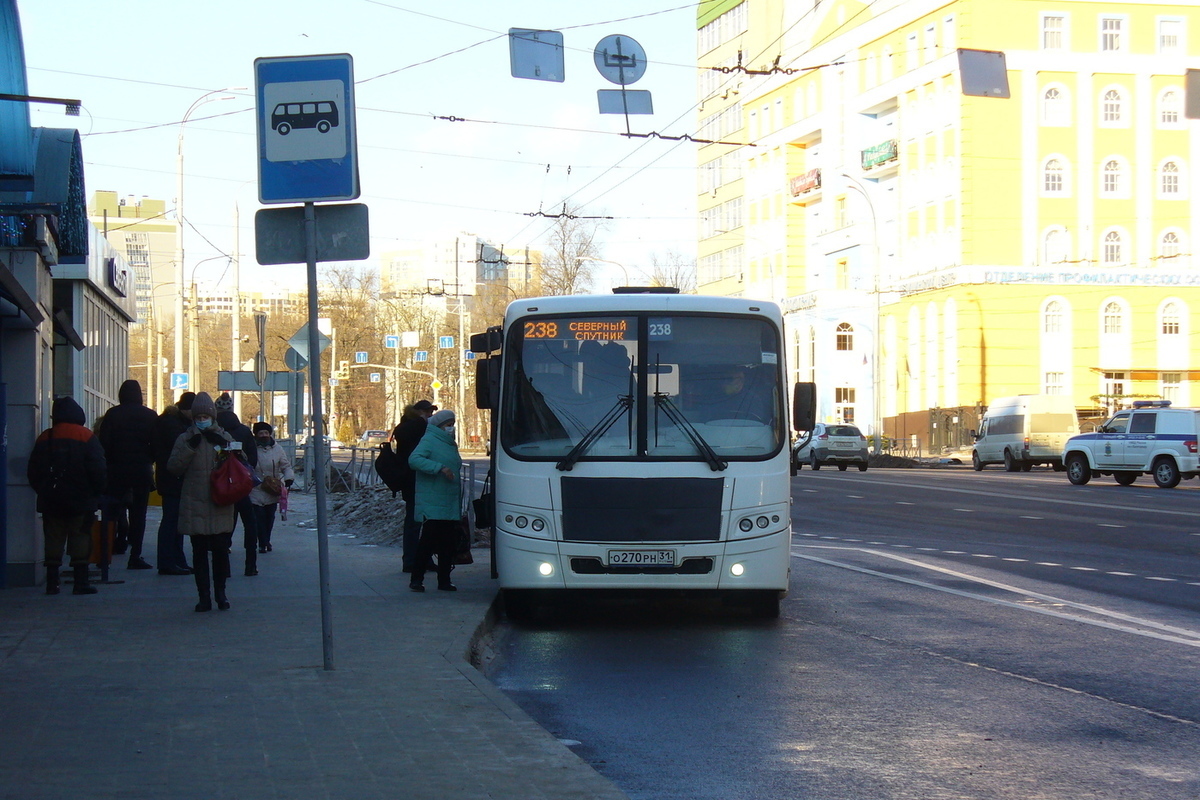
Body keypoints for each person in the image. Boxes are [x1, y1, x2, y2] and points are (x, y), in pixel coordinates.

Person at [27, 396, 108, 595]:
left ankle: (52, 583)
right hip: (81, 499)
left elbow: (33, 470)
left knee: (53, 538)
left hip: (52, 499)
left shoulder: (46, 436)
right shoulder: (86, 436)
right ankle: (80, 582)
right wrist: (97, 492)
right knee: (80, 536)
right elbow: (98, 469)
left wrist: (44, 490)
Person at [167, 392, 237, 612]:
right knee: (198, 553)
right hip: (194, 502)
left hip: (220, 501)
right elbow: (173, 467)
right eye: (198, 417)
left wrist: (225, 447)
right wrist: (190, 448)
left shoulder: (224, 436)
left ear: (213, 416)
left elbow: (240, 463)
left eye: (206, 416)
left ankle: (221, 594)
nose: (202, 420)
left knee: (220, 551)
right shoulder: (185, 438)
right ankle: (204, 597)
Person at [96, 379, 159, 570]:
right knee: (139, 514)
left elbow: (103, 443)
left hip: (116, 470)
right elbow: (156, 445)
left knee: (110, 513)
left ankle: (104, 554)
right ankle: (135, 555)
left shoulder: (113, 414)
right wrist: (147, 460)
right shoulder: (150, 415)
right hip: (141, 470)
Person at [407, 408, 462, 592]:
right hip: (433, 501)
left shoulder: (449, 443)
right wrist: (439, 468)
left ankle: (444, 580)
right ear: (440, 426)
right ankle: (417, 579)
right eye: (449, 424)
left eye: (453, 424)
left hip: (447, 500)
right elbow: (414, 459)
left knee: (447, 543)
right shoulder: (430, 440)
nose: (451, 428)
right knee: (428, 542)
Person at [214, 394, 262, 576]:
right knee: (249, 523)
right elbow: (253, 458)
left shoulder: (214, 431)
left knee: (225, 523)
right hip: (241, 485)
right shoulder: (243, 431)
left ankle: (223, 567)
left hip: (222, 486)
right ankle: (251, 564)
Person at [391, 399, 436, 572]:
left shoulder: (418, 427)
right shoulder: (407, 427)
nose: (429, 415)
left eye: (431, 412)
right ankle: (410, 561)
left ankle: (425, 559)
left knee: (428, 522)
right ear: (416, 412)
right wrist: (422, 422)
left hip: (425, 480)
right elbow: (406, 439)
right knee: (414, 522)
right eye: (426, 412)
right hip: (412, 481)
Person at [153, 392, 195, 575]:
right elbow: (178, 453)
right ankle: (168, 561)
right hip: (172, 479)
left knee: (175, 522)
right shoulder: (173, 425)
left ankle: (176, 559)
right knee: (171, 521)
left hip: (171, 479)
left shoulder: (174, 422)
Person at [248, 421, 294, 555]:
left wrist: (288, 478)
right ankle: (262, 542)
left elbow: (286, 466)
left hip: (273, 488)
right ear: (256, 435)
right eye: (260, 433)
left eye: (266, 433)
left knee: (269, 517)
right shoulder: (251, 448)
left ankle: (266, 539)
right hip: (255, 488)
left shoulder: (278, 449)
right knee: (259, 518)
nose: (264, 435)